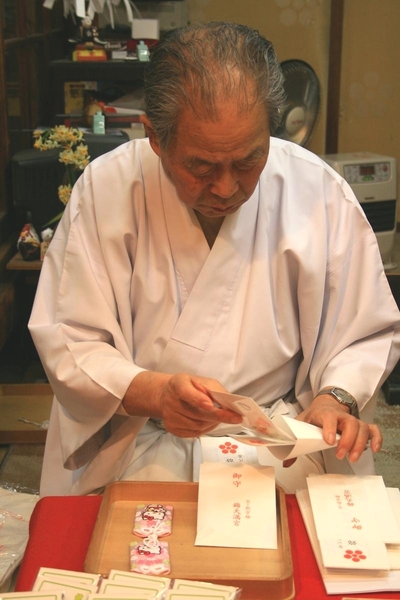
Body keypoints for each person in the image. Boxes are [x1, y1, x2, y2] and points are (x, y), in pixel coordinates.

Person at [29, 21, 400, 497]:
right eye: (201, 166)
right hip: (138, 438)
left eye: (248, 161)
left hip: (275, 441)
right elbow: (69, 339)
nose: (226, 188)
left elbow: (362, 332)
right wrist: (154, 393)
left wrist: (335, 398)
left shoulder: (318, 191)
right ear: (156, 138)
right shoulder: (107, 190)